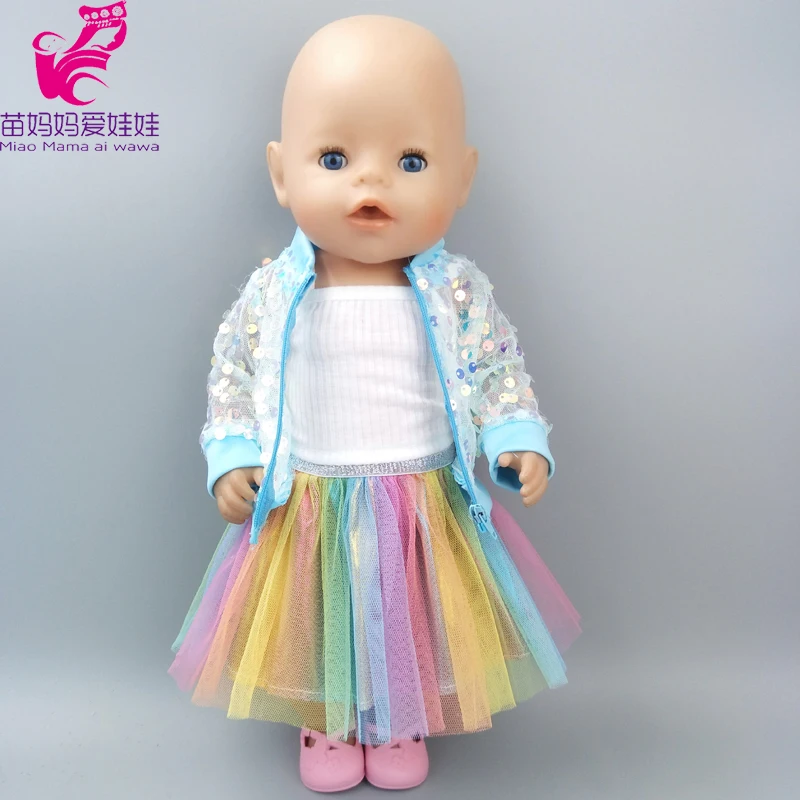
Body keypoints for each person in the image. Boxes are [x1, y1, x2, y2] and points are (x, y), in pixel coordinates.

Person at [169, 14, 581, 793]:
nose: (371, 182)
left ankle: (399, 718)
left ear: (462, 178)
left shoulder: (456, 289)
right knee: (321, 617)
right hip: (310, 498)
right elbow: (234, 373)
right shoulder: (275, 291)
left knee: (409, 616)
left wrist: (515, 434)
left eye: (411, 160)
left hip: (420, 499)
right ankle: (327, 722)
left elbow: (495, 365)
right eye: (334, 158)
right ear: (281, 173)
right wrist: (233, 454)